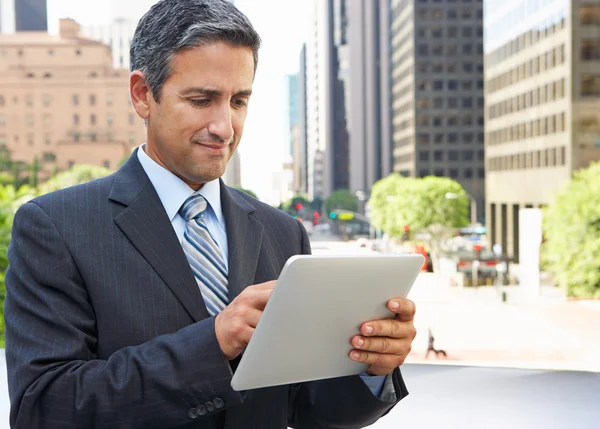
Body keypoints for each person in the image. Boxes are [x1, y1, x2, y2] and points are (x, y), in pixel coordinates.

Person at [4, 1, 417, 428]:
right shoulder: (54, 227)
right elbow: (42, 407)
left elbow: (310, 407)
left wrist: (371, 366)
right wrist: (213, 343)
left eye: (239, 101)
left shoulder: (283, 233)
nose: (224, 127)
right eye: (202, 100)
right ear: (143, 94)